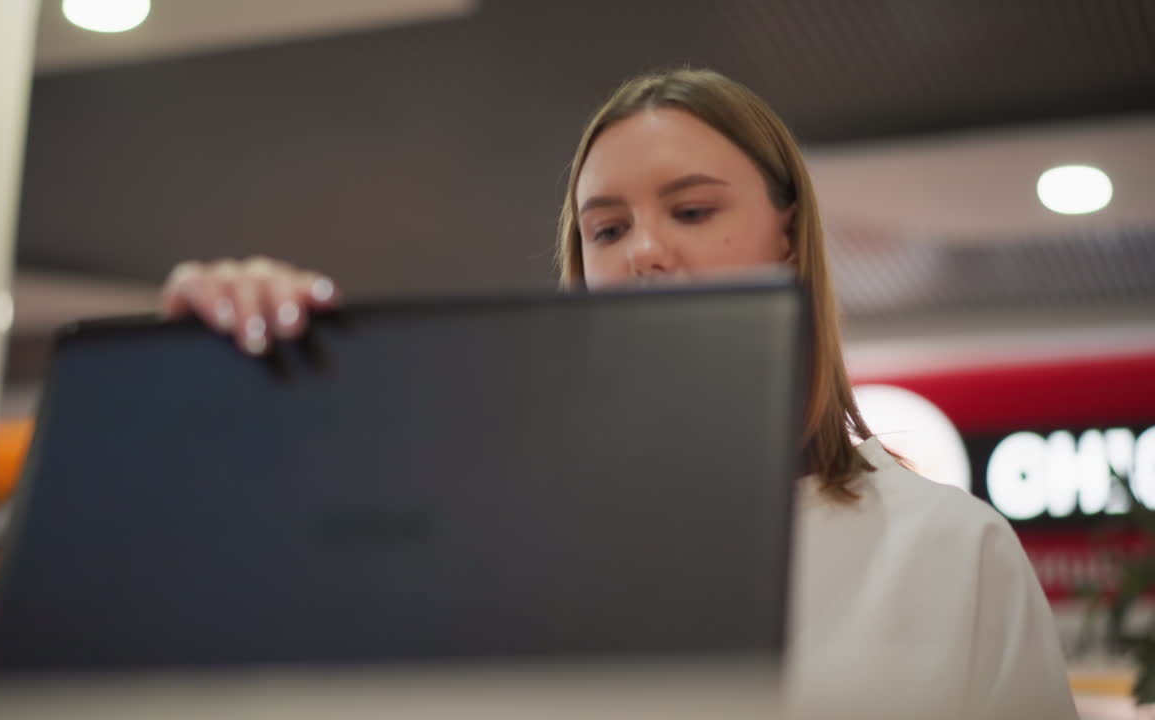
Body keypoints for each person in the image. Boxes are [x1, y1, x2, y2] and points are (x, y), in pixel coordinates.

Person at [159, 69, 1077, 718]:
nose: (644, 252)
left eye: (692, 211)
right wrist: (235, 390)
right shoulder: (500, 541)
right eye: (607, 229)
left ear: (788, 238)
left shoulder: (949, 553)